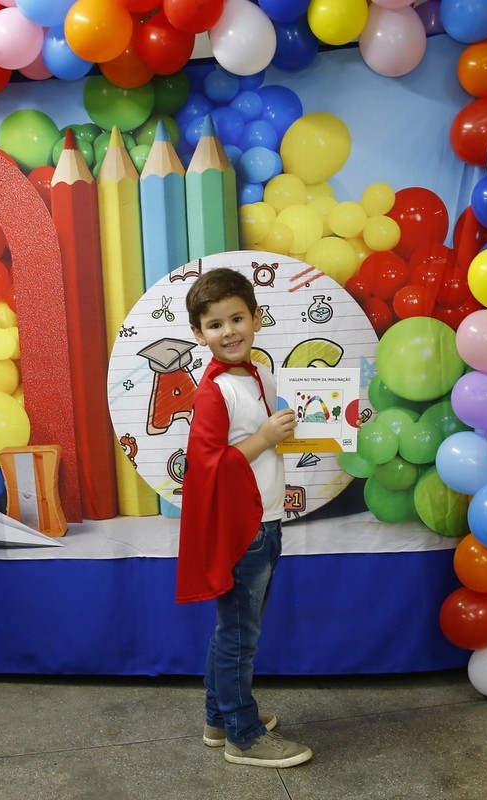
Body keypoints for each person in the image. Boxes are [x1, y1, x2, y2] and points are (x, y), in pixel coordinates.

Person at [175, 267, 313, 768]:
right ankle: (244, 735)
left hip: (267, 520)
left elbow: (272, 439)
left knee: (236, 628)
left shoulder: (261, 375)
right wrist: (265, 438)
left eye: (237, 319)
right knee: (239, 637)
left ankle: (220, 718)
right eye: (215, 324)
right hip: (242, 531)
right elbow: (207, 467)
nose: (229, 332)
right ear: (199, 334)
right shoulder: (215, 391)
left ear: (256, 318)